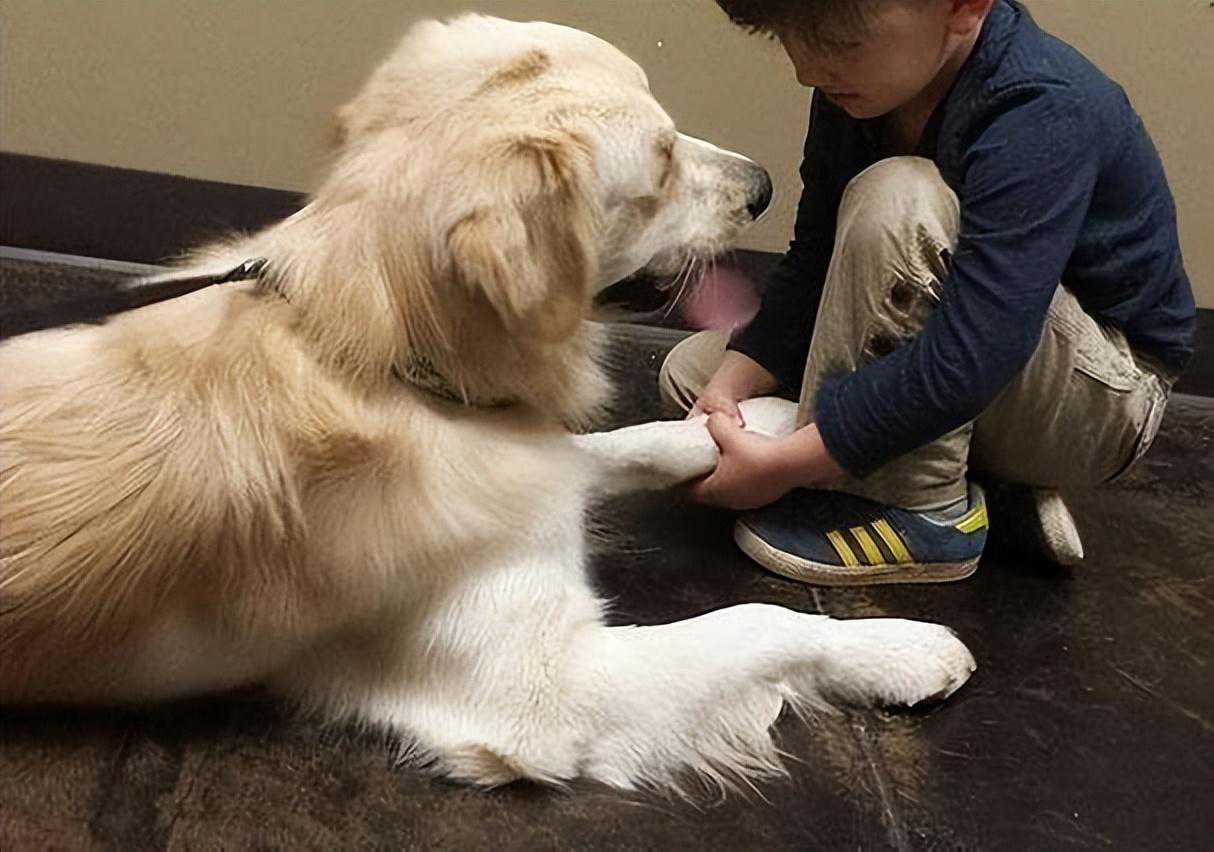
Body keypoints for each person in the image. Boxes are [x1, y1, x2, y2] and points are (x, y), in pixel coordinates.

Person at [661, 0, 1195, 585]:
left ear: (963, 8)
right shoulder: (857, 88)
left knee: (900, 198)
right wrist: (727, 389)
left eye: (841, 42)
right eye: (789, 40)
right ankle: (986, 483)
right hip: (984, 354)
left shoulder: (1042, 108)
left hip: (1104, 398)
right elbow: (814, 260)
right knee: (691, 376)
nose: (806, 71)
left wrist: (785, 466)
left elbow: (979, 347)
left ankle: (930, 515)